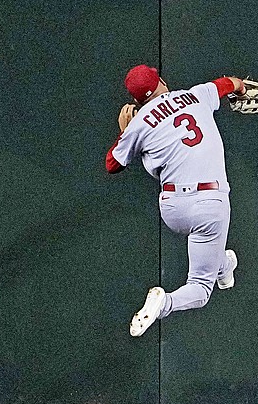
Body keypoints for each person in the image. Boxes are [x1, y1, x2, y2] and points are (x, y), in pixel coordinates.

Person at [106, 64, 247, 337]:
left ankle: (224, 268)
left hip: (173, 208)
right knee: (200, 289)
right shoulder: (196, 95)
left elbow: (112, 164)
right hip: (209, 201)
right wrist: (240, 87)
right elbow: (226, 83)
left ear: (136, 100)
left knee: (214, 253)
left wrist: (126, 132)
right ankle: (164, 304)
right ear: (160, 79)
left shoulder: (138, 124)